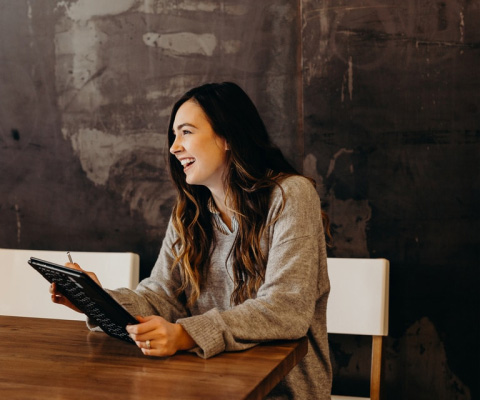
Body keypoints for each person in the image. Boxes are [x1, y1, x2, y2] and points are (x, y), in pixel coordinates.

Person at [50, 82, 332, 399]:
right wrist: (98, 301)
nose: (174, 147)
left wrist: (185, 335)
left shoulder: (291, 196)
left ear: (227, 137)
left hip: (279, 391)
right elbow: (161, 298)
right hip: (203, 383)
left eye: (186, 132)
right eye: (174, 135)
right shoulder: (189, 213)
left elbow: (285, 310)